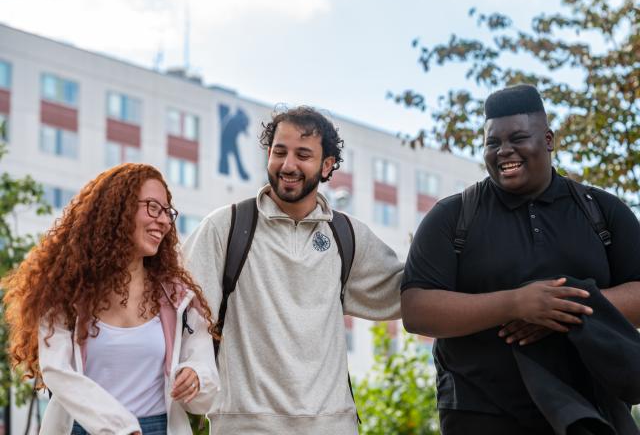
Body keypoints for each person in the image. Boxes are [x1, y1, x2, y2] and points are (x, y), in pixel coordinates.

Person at [401, 84, 640, 434]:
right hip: (479, 411)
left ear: (548, 140)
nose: (504, 151)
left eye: (518, 138)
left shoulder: (602, 210)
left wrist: (561, 309)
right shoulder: (452, 216)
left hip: (593, 409)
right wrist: (515, 304)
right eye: (492, 143)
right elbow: (416, 309)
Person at [183, 106, 403, 434]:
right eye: (279, 152)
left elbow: (411, 291)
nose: (288, 165)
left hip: (333, 426)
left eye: (303, 154)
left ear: (327, 165)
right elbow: (183, 317)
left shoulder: (348, 236)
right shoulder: (225, 227)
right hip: (246, 426)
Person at [3, 163, 220, 435]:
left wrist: (196, 376)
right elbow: (56, 371)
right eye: (153, 207)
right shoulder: (65, 292)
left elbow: (205, 375)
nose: (164, 220)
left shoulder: (178, 298)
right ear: (118, 210)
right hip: (83, 429)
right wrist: (119, 426)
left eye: (167, 212)